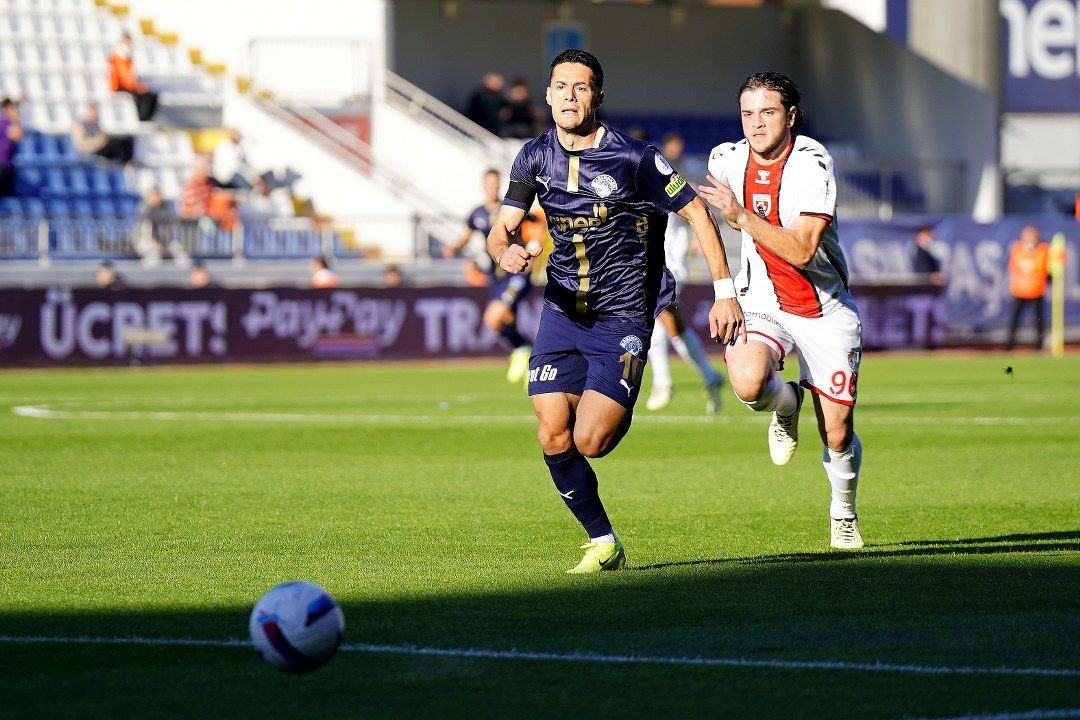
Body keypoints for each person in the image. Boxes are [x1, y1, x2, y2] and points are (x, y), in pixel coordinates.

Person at [487, 49, 744, 573]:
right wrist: (505, 250)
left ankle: (614, 391)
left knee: (591, 440)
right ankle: (603, 540)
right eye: (560, 86)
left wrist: (725, 289)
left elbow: (696, 212)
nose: (569, 96)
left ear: (597, 95)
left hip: (623, 313)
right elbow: (503, 225)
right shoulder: (533, 156)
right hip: (562, 307)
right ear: (547, 94)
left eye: (580, 87)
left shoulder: (636, 158)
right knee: (550, 429)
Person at [700, 71, 865, 549]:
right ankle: (787, 401)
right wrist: (723, 290)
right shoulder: (725, 159)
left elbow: (802, 249)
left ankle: (843, 513)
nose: (756, 124)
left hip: (823, 308)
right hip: (760, 300)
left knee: (836, 433)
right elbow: (699, 217)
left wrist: (741, 217)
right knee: (749, 383)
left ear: (791, 116)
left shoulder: (813, 163)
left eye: (768, 112)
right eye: (747, 114)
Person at [645, 131, 726, 414]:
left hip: (672, 268)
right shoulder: (639, 188)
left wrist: (697, 238)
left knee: (655, 319)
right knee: (676, 330)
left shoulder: (674, 185)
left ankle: (663, 383)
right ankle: (711, 377)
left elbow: (698, 210)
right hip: (648, 267)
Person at [449, 168, 534, 383]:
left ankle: (523, 350)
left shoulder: (511, 208)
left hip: (516, 272)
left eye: (495, 184)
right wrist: (453, 248)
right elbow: (465, 237)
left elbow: (537, 224)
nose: (492, 188)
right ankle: (531, 361)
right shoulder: (477, 213)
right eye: (489, 184)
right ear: (483, 186)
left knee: (493, 317)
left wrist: (534, 248)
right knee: (505, 320)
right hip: (496, 277)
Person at [1005, 225, 1050, 351]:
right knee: (1015, 319)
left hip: (1036, 290)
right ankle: (1009, 345)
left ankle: (1039, 345)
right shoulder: (1017, 248)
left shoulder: (1043, 249)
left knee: (1039, 320)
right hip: (1020, 290)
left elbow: (1046, 267)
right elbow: (1014, 266)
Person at [108, 33, 158, 122]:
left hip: (128, 85)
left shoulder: (126, 56)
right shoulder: (119, 56)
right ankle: (141, 118)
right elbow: (124, 77)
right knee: (138, 97)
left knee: (151, 95)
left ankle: (145, 119)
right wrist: (137, 87)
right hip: (119, 86)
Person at [0, 98, 23, 198]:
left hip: (7, 164)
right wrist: (16, 121)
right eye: (13, 108)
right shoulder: (5, 123)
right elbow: (17, 135)